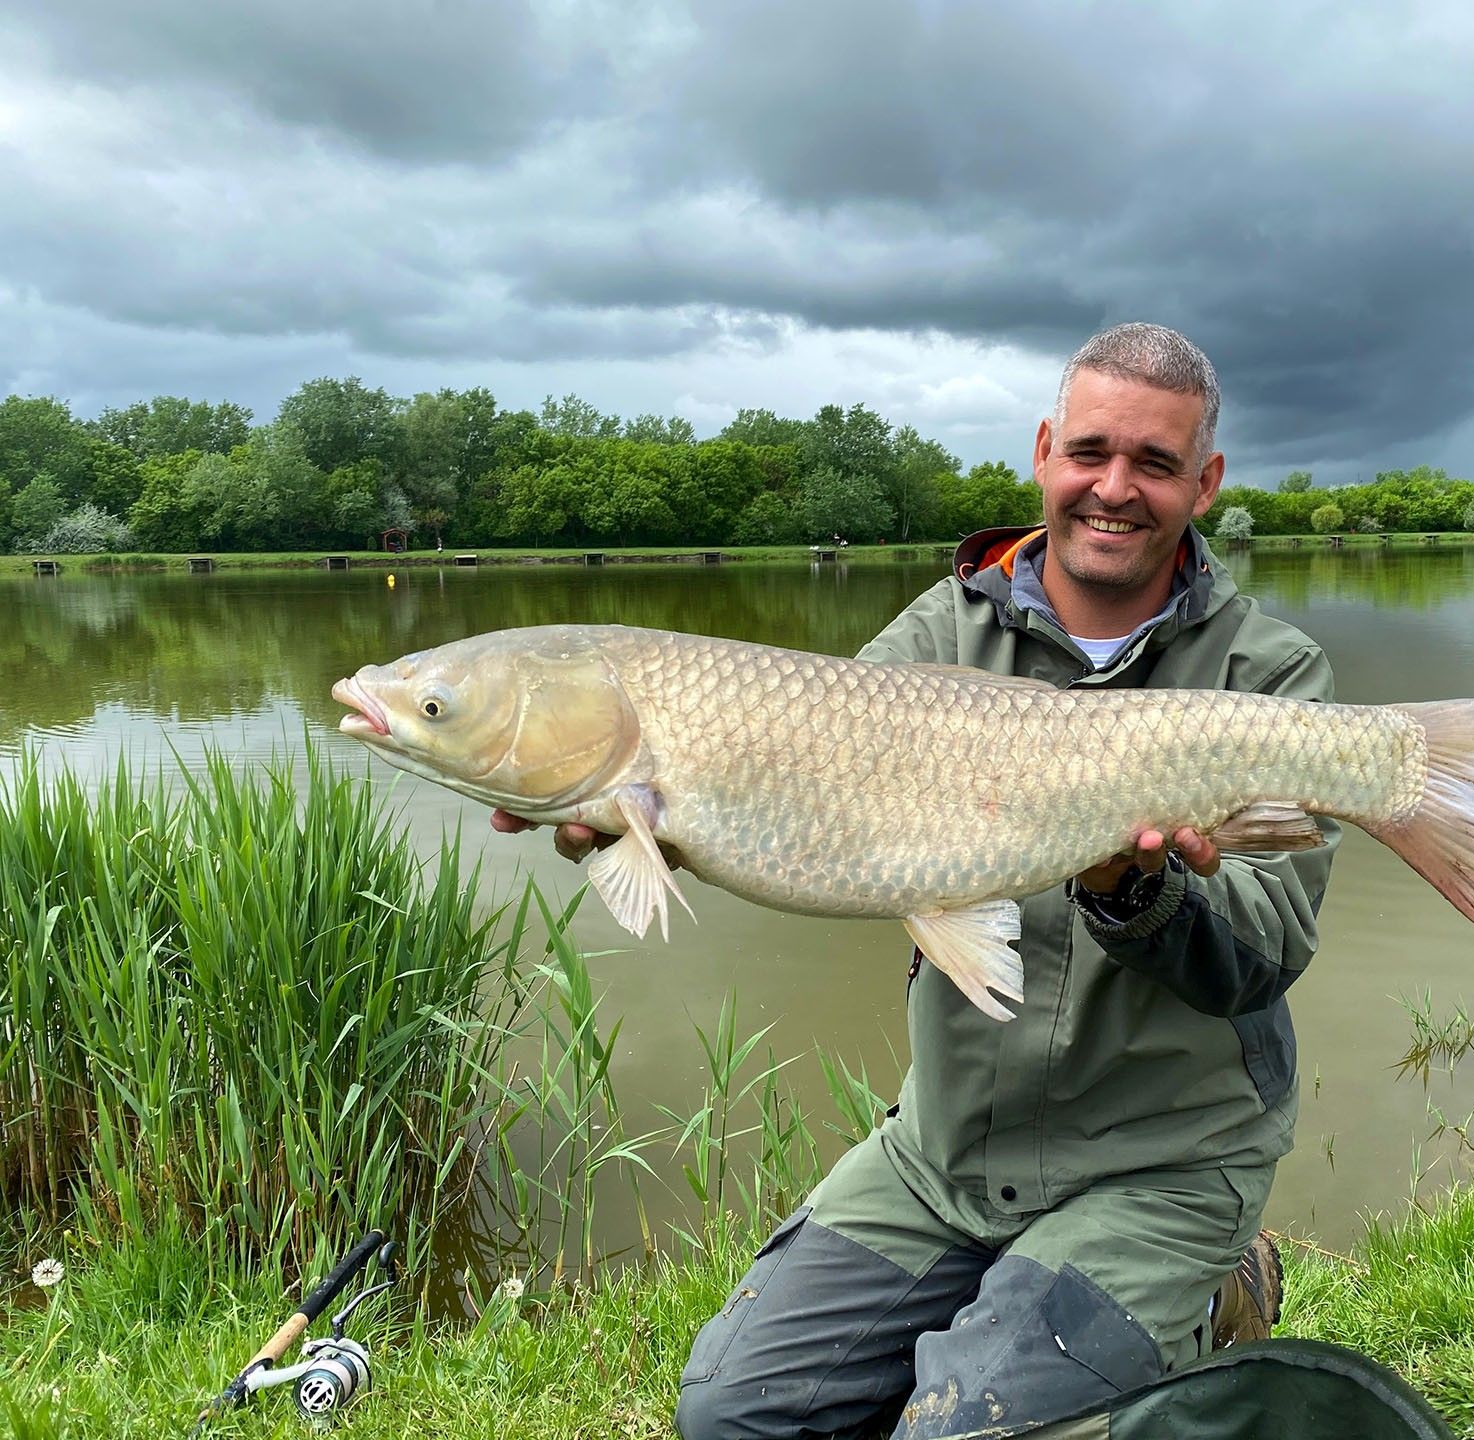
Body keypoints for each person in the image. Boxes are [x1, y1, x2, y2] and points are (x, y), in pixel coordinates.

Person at [496, 323, 1339, 1439]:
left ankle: (1219, 1281)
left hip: (1164, 1160)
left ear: (1207, 481)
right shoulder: (936, 636)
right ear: (1045, 451)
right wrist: (646, 816)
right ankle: (1028, 1302)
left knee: (962, 1426)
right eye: (1090, 451)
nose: (1114, 488)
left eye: (1155, 463)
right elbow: (816, 797)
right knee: (734, 1415)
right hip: (947, 1149)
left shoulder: (1267, 675)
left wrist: (1133, 886)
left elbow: (1266, 954)